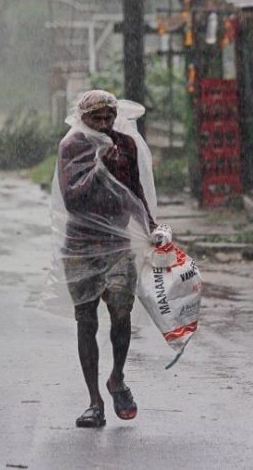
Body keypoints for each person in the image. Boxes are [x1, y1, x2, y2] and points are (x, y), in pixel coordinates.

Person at [51, 90, 169, 428]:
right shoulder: (72, 146)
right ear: (82, 118)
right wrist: (100, 166)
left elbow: (135, 193)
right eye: (96, 118)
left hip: (117, 244)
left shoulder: (126, 145)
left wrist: (151, 226)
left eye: (108, 118)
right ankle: (94, 401)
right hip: (80, 246)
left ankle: (117, 377)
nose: (103, 125)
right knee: (86, 320)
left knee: (121, 311)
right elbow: (73, 199)